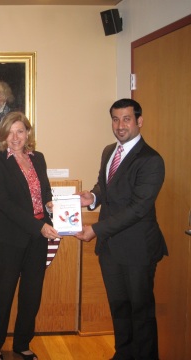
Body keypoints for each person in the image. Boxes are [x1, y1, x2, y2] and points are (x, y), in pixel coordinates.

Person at [75, 98, 167, 360]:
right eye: (115, 119)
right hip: (112, 249)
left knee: (141, 312)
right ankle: (124, 354)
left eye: (127, 118)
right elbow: (104, 187)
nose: (120, 125)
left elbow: (138, 208)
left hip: (138, 249)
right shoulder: (109, 151)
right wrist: (91, 198)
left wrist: (97, 229)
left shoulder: (151, 160)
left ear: (139, 121)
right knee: (119, 309)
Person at [0, 111, 59, 360]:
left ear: (28, 133)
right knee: (4, 292)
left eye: (20, 131)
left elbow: (45, 190)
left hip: (38, 238)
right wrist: (37, 226)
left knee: (32, 292)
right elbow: (4, 203)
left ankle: (22, 343)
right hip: (9, 238)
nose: (15, 137)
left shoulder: (38, 158)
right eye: (10, 131)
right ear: (3, 135)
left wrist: (49, 204)